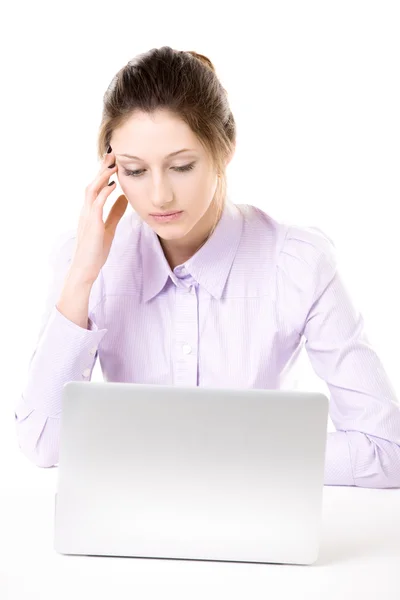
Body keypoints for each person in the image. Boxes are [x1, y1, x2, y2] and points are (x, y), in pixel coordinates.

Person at [15, 46, 400, 488]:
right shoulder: (83, 260)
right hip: (128, 538)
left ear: (225, 147)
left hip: (259, 521)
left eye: (182, 166)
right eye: (135, 171)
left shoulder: (295, 262)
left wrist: (220, 450)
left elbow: (387, 450)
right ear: (109, 170)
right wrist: (82, 276)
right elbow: (41, 441)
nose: (159, 197)